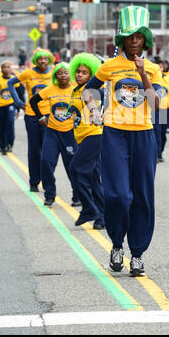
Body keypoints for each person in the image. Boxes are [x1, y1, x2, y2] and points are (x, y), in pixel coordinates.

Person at [82, 6, 162, 277]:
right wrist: (93, 110)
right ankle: (117, 244)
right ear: (123, 40)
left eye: (138, 36)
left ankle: (137, 254)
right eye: (129, 37)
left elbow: (156, 104)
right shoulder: (110, 66)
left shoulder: (153, 68)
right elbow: (88, 90)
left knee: (141, 195)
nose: (134, 41)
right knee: (117, 195)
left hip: (143, 133)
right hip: (114, 132)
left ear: (145, 40)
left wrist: (143, 74)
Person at [29, 62, 79, 207]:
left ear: (70, 74)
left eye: (66, 72)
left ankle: (77, 196)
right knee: (45, 162)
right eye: (60, 73)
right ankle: (49, 195)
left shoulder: (76, 89)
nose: (63, 76)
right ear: (55, 75)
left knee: (73, 166)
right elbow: (33, 101)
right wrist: (40, 117)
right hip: (52, 132)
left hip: (70, 134)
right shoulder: (50, 90)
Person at [8, 49, 54, 192]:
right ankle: (34, 182)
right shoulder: (28, 73)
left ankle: (47, 182)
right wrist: (18, 102)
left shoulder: (54, 73)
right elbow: (11, 83)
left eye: (45, 59)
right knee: (34, 150)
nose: (43, 61)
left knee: (47, 151)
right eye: (40, 59)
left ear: (49, 60)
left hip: (49, 116)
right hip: (31, 115)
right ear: (35, 60)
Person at [68, 53, 105, 229]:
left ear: (91, 77)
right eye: (78, 72)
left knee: (76, 170)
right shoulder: (75, 90)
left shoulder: (91, 91)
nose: (79, 75)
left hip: (94, 135)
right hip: (82, 137)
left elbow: (95, 105)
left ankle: (89, 208)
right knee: (93, 178)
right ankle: (102, 216)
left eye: (84, 73)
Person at [0, 61, 24, 155]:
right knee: (1, 126)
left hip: (11, 105)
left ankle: (10, 144)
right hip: (0, 105)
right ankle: (2, 146)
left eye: (8, 67)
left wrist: (18, 109)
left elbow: (19, 95)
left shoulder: (14, 80)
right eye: (4, 67)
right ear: (1, 69)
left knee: (10, 124)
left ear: (11, 69)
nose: (6, 69)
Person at [152, 59, 169, 162]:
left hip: (164, 109)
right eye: (157, 67)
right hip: (154, 109)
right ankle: (156, 155)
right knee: (156, 131)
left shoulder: (167, 79)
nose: (159, 69)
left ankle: (160, 152)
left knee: (163, 133)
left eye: (161, 67)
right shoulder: (151, 78)